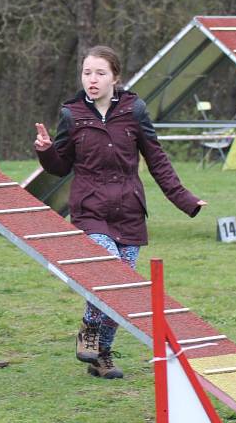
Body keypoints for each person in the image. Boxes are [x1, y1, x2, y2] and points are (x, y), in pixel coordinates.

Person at [34, 45, 207, 379]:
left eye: (100, 73)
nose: (92, 79)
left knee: (123, 289)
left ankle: (102, 356)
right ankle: (88, 327)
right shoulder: (72, 114)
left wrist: (185, 199)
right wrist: (45, 151)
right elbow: (60, 166)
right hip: (90, 209)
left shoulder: (134, 110)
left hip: (129, 211)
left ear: (115, 77)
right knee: (109, 271)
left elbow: (157, 159)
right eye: (87, 72)